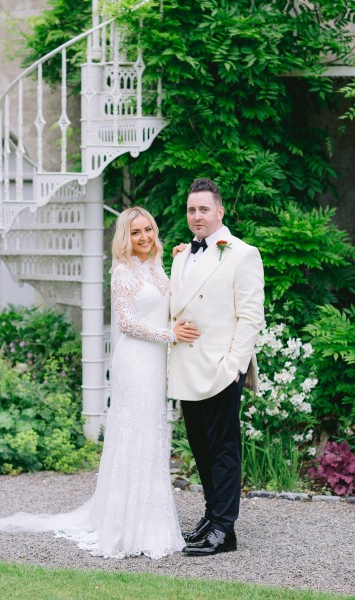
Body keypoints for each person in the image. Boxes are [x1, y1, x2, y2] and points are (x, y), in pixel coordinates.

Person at [0, 206, 199, 560]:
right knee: (133, 435)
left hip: (154, 362)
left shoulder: (156, 264)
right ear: (125, 238)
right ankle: (124, 526)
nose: (144, 237)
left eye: (148, 229)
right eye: (135, 232)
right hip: (135, 361)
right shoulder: (122, 272)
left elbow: (171, 297)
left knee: (152, 434)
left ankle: (151, 520)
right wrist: (170, 335)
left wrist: (181, 257)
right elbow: (128, 323)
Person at [168, 178, 264, 556]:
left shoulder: (243, 253)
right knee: (201, 447)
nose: (197, 216)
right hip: (188, 368)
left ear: (220, 211)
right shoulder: (181, 255)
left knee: (223, 449)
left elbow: (251, 316)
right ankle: (211, 517)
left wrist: (234, 366)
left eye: (204, 209)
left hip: (222, 368)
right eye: (192, 210)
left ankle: (225, 530)